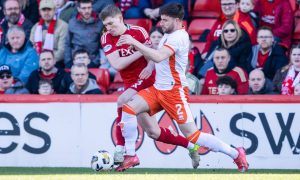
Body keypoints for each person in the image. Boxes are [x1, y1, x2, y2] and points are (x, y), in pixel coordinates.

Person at [116, 3, 248, 172]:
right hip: (158, 89)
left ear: (177, 20)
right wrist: (149, 65)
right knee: (128, 107)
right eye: (161, 19)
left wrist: (134, 43)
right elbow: (158, 60)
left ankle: (236, 153)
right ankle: (130, 155)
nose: (161, 23)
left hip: (174, 92)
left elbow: (158, 56)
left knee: (194, 136)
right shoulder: (168, 34)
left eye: (165, 20)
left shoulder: (179, 36)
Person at [100, 4, 200, 169]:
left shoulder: (138, 32)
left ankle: (122, 149)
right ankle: (190, 146)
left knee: (122, 101)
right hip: (130, 83)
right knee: (153, 132)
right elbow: (117, 64)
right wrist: (141, 50)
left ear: (120, 18)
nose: (108, 28)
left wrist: (148, 64)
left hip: (146, 79)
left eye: (111, 23)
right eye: (105, 25)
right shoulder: (106, 38)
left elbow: (153, 57)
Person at [64, 0, 103, 68]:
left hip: (92, 61)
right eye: (84, 8)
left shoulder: (99, 23)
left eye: (89, 7)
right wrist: (68, 61)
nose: (87, 11)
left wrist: (95, 62)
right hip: (76, 60)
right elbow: (67, 44)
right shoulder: (72, 23)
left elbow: (102, 46)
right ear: (78, 9)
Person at [30, 0, 68, 67]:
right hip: (37, 62)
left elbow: (62, 51)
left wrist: (48, 62)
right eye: (44, 10)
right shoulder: (35, 27)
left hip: (56, 63)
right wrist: (40, 61)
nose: (46, 13)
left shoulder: (63, 26)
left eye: (49, 9)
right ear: (40, 12)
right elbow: (31, 47)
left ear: (55, 10)